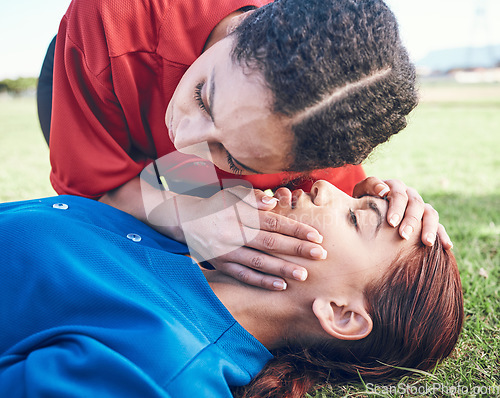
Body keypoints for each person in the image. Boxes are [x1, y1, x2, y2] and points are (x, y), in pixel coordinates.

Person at [37, 0, 447, 289]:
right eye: (203, 97)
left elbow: (347, 218)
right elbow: (90, 196)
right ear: (245, 24)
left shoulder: (318, 136)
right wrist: (187, 217)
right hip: (91, 85)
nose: (183, 139)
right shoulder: (114, 14)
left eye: (234, 156)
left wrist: (390, 209)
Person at [0, 181, 463, 397]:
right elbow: (118, 197)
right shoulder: (207, 241)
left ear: (340, 313)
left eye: (355, 216)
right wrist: (376, 187)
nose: (325, 185)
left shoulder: (166, 367)